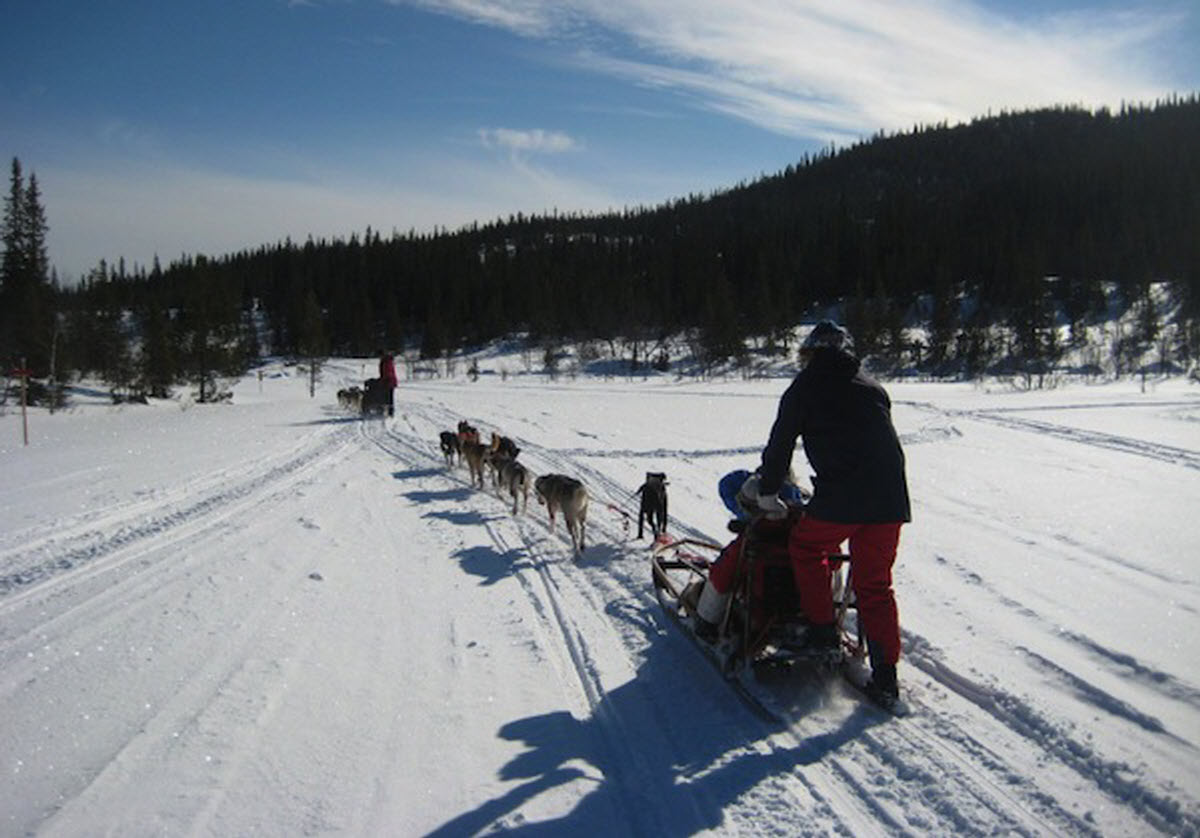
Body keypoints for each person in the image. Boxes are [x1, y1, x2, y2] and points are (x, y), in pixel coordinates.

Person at [750, 320, 911, 708]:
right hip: (890, 500)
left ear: (811, 352)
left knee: (806, 546)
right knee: (876, 585)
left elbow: (781, 446)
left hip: (842, 497)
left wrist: (768, 490)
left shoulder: (804, 387)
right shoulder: (872, 387)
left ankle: (822, 632)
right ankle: (886, 678)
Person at [378, 350, 398, 417]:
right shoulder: (386, 361)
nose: (379, 357)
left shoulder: (386, 361)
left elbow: (388, 372)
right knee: (386, 397)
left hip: (389, 381)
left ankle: (390, 412)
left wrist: (384, 380)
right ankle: (387, 411)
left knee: (388, 397)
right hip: (388, 381)